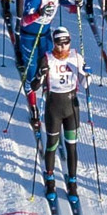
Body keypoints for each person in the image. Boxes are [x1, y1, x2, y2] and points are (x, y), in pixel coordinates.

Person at [31, 27, 87, 203]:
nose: (63, 47)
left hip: (72, 106)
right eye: (59, 44)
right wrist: (40, 74)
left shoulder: (76, 57)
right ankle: (50, 180)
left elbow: (85, 84)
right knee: (52, 145)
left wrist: (87, 74)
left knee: (72, 147)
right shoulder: (47, 58)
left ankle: (72, 182)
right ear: (54, 44)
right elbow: (34, 87)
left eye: (66, 43)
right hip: (53, 107)